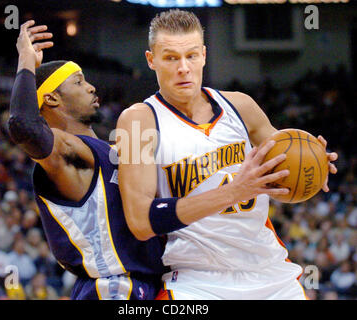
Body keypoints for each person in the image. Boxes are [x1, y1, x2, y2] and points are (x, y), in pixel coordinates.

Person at [116, 9, 338, 300]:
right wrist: (233, 192)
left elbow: (284, 169)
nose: (183, 67)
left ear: (204, 55)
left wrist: (315, 165)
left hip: (269, 272)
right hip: (196, 282)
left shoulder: (241, 106)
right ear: (151, 60)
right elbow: (141, 222)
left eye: (192, 56)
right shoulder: (137, 122)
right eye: (171, 57)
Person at [6, 20, 166, 300]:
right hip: (114, 286)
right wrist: (26, 60)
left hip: (148, 283)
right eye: (78, 82)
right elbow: (23, 124)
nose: (91, 87)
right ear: (53, 98)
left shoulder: (109, 147)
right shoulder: (70, 151)